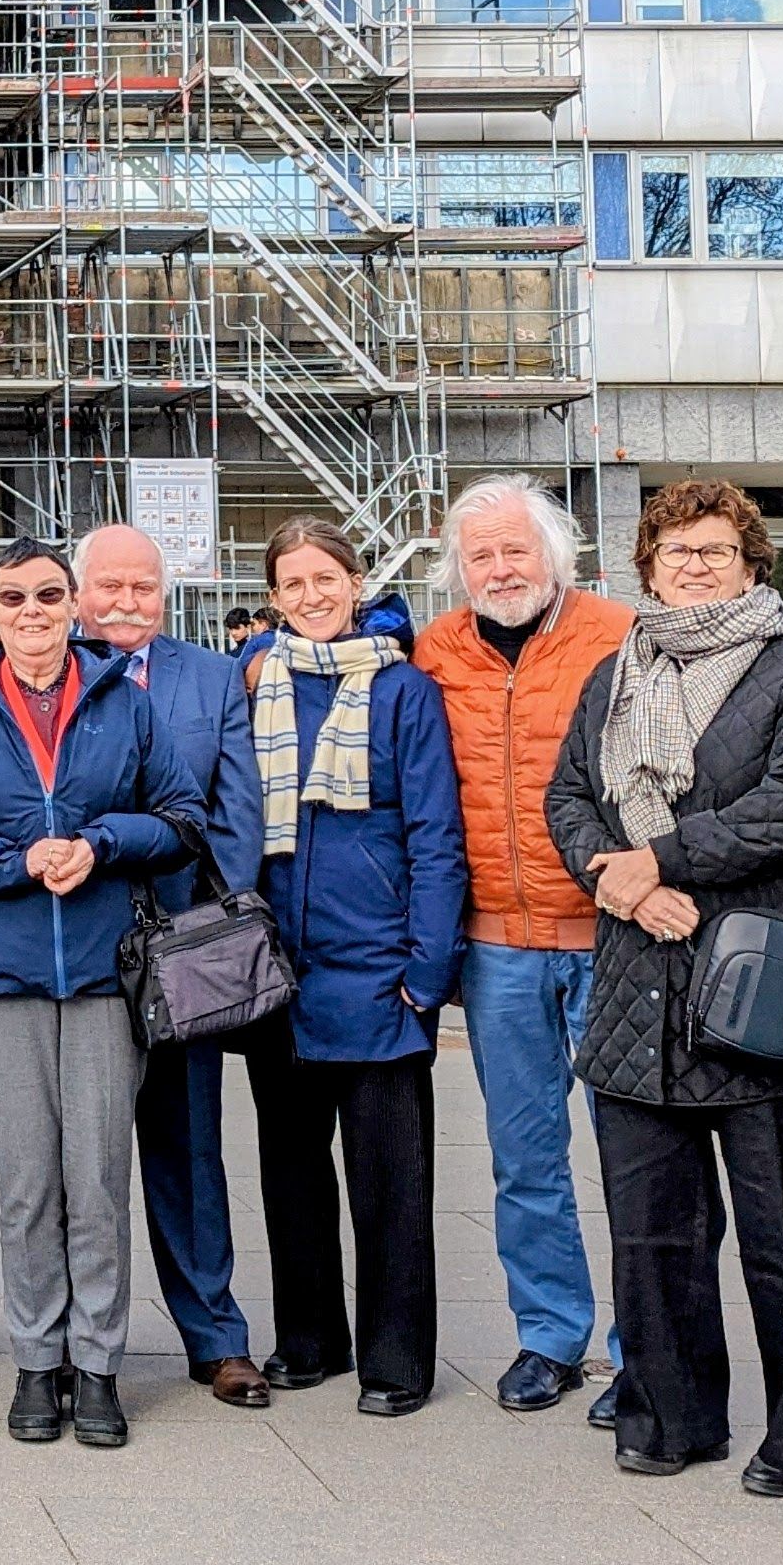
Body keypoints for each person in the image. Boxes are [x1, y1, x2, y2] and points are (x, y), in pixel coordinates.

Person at [545, 479, 783, 1493]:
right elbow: (567, 800)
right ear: (647, 566)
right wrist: (622, 884)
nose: (693, 566)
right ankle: (668, 1415)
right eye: (674, 551)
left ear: (751, 563)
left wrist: (660, 861)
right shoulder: (614, 673)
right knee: (651, 1232)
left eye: (714, 551)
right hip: (640, 981)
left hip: (758, 980)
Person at [0, 540, 206, 1451]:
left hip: (108, 977)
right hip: (3, 975)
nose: (31, 610)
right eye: (12, 597)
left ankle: (99, 1365)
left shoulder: (123, 701)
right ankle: (38, 1360)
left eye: (47, 594)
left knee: (99, 1182)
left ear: (73, 605)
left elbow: (182, 820)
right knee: (29, 1183)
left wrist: (101, 842)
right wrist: (13, 861)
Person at [410, 475, 633, 1417]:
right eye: (482, 556)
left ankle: (645, 1345)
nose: (501, 569)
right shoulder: (435, 649)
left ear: (557, 557)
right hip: (498, 945)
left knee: (636, 1151)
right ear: (459, 572)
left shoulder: (620, 632)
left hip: (615, 936)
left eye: (516, 550)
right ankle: (549, 1335)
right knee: (525, 1155)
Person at [244, 517, 469, 1417]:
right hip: (278, 974)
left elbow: (436, 837)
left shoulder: (402, 690)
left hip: (376, 971)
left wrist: (427, 971)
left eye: (324, 579)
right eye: (292, 585)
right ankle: (308, 1340)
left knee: (390, 1186)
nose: (310, 597)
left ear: (355, 580)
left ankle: (397, 1359)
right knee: (290, 1175)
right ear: (274, 597)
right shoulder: (254, 680)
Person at [75, 522, 273, 1410]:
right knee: (77, 1157)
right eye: (109, 586)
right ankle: (83, 1341)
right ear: (80, 591)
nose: (125, 602)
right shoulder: (47, 670)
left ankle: (216, 1336)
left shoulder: (209, 675)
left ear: (167, 591)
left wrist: (207, 925)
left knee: (190, 1148)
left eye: (142, 588)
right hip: (76, 946)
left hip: (181, 950)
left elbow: (236, 812)